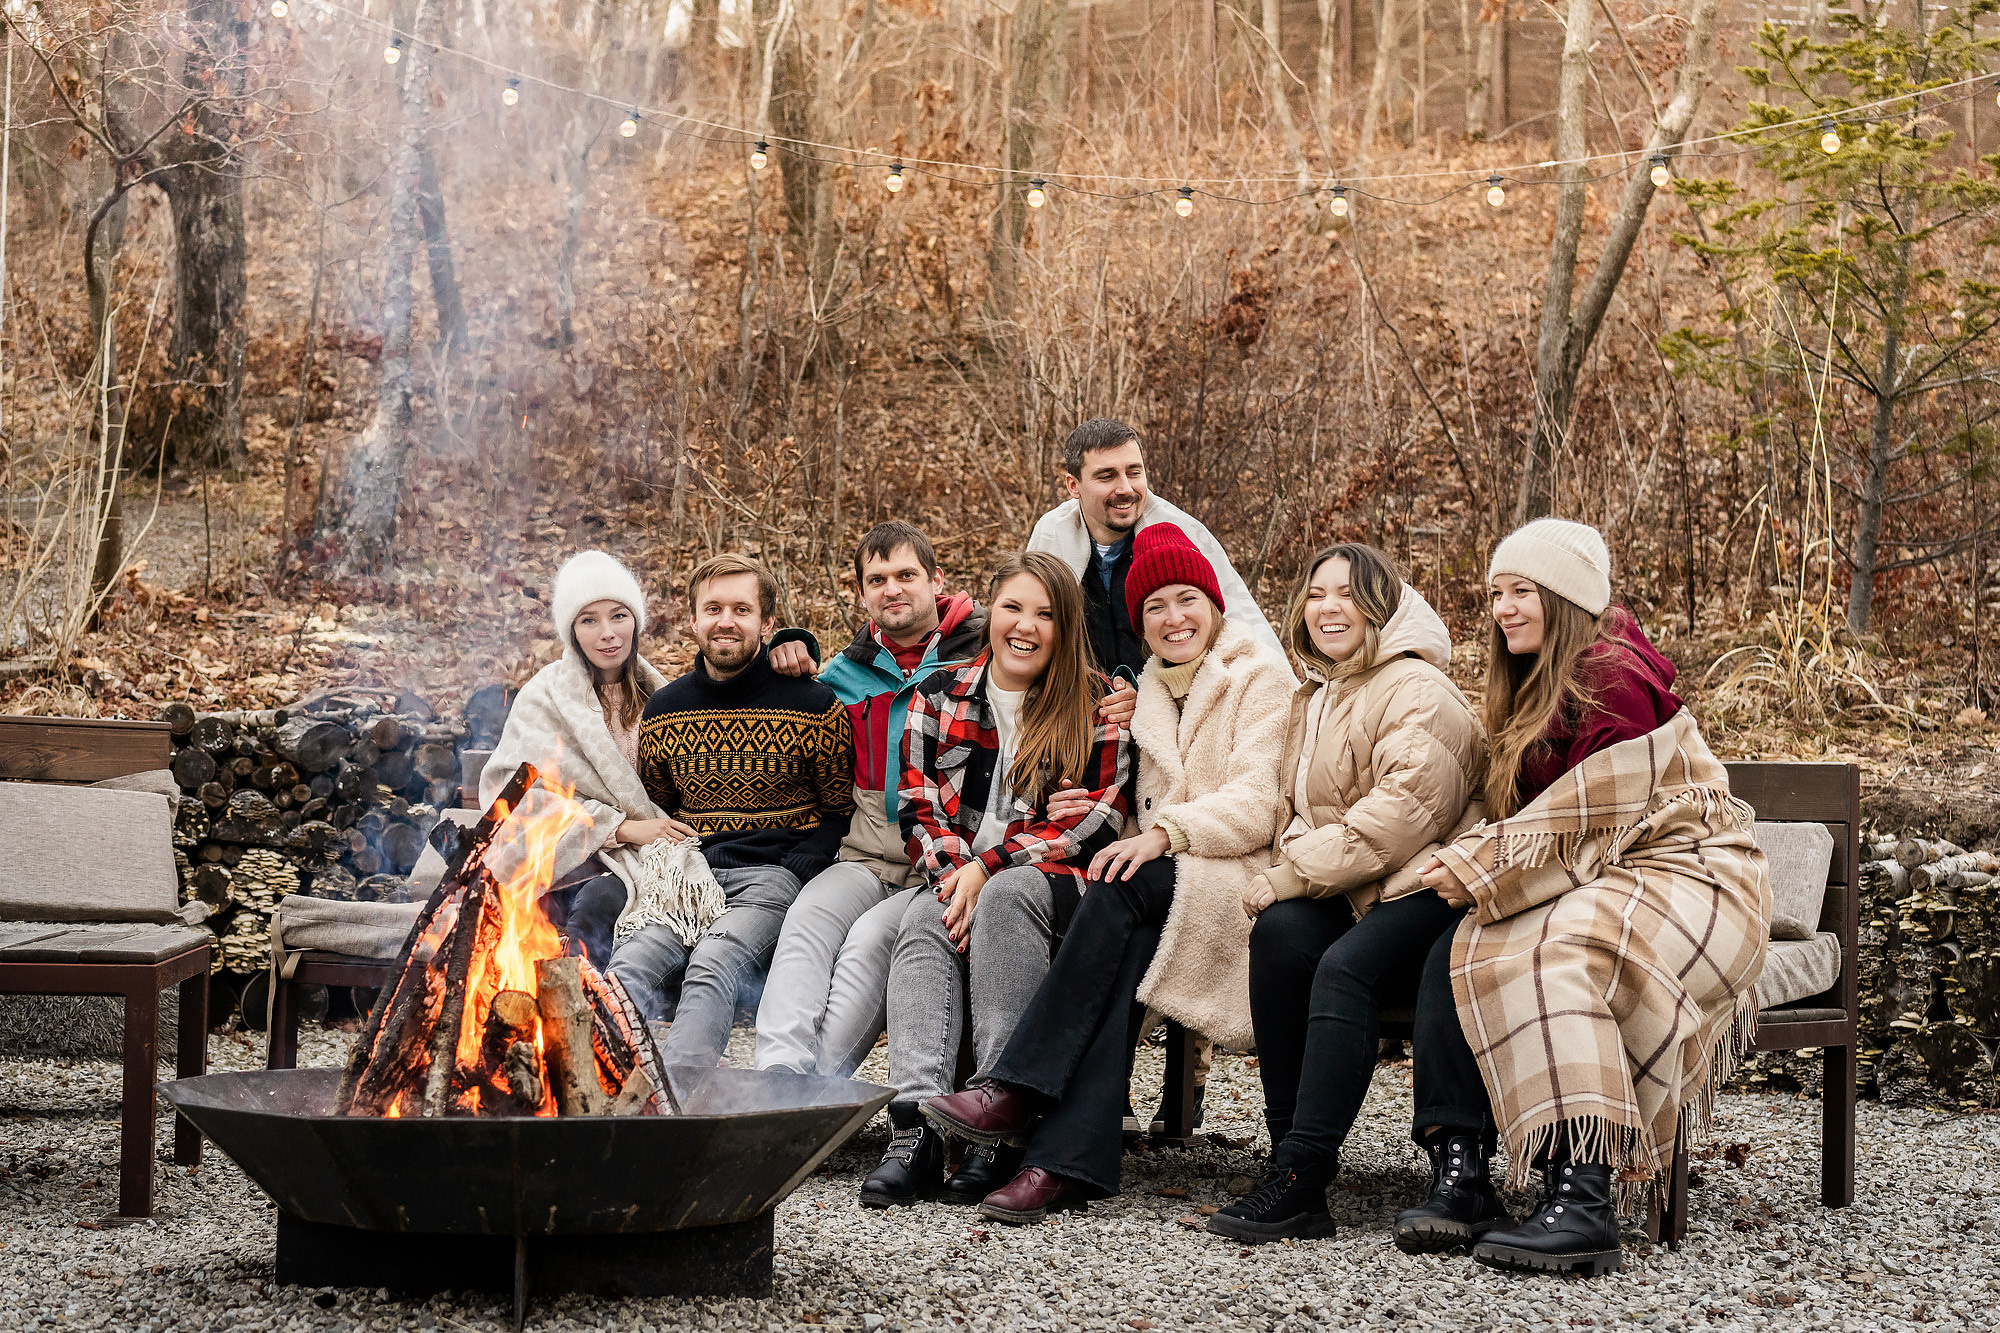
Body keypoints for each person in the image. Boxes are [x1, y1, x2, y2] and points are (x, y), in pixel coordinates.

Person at [1412, 518, 1769, 1277]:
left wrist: (1480, 864)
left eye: (1522, 591)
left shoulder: (1609, 673)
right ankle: (1465, 1173)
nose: (1504, 608)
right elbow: (1539, 822)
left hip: (1695, 875)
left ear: (1565, 598)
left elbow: (1587, 818)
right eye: (1497, 592)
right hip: (1611, 869)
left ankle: (1584, 1200)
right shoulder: (1539, 676)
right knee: (1464, 946)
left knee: (1562, 948)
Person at [919, 524, 1293, 1223]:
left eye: (1187, 599)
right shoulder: (1143, 691)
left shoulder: (1259, 678)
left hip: (1234, 878)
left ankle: (1017, 1087)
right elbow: (1124, 796)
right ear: (1138, 622)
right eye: (1154, 606)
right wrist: (1088, 806)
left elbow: (1257, 803)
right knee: (1115, 949)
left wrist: (1158, 834)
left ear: (1214, 603)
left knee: (1116, 888)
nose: (1173, 617)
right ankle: (1065, 1162)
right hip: (1159, 885)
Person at [1204, 544, 1488, 1245]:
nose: (1329, 607)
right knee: (1280, 935)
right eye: (1316, 592)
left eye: (1348, 593)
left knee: (1343, 967)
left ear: (1384, 607)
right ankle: (1292, 1163)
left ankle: (1303, 1169)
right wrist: (1287, 875)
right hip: (1360, 882)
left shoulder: (1419, 689)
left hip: (1432, 882)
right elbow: (1303, 809)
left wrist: (1290, 873)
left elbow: (1396, 818)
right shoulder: (1323, 692)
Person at [860, 551, 1129, 1209]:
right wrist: (958, 878)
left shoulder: (1098, 705)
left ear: (1066, 627)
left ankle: (993, 1132)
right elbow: (919, 811)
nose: (1026, 626)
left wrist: (987, 866)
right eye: (1013, 607)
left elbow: (1098, 821)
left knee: (1004, 895)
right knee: (925, 915)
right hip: (962, 881)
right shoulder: (937, 695)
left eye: (1045, 614)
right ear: (990, 611)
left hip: (1058, 890)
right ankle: (918, 1130)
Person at [754, 522, 988, 1080]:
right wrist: (793, 646)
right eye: (876, 580)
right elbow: (773, 697)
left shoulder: (984, 652)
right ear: (861, 594)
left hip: (943, 866)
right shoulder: (848, 672)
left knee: (866, 945)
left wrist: (1122, 688)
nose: (893, 590)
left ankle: (811, 1097)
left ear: (937, 581)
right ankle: (777, 1071)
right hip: (866, 855)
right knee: (807, 920)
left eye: (906, 575)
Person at [614, 554, 856, 1068]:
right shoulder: (664, 711)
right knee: (630, 964)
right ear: (695, 620)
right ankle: (602, 1083)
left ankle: (679, 1098)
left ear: (767, 623)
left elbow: (839, 808)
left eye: (742, 609)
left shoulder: (813, 705)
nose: (726, 621)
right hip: (687, 874)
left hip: (769, 877)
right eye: (714, 608)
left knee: (714, 962)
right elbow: (658, 802)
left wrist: (798, 865)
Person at [478, 551, 675, 968]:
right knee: (591, 903)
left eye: (619, 615)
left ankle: (609, 1020)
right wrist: (619, 828)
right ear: (572, 631)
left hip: (651, 857)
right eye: (589, 620)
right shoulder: (544, 697)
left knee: (604, 900)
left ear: (636, 620)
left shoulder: (663, 696)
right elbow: (509, 792)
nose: (608, 633)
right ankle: (569, 1020)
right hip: (561, 860)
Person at [1027, 417, 1285, 673]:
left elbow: (1234, 630)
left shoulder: (1183, 535)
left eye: (1134, 472)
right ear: (1074, 485)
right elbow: (1030, 639)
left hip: (1173, 700)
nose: (1126, 488)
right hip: (1077, 703)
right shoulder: (1052, 538)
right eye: (1107, 477)